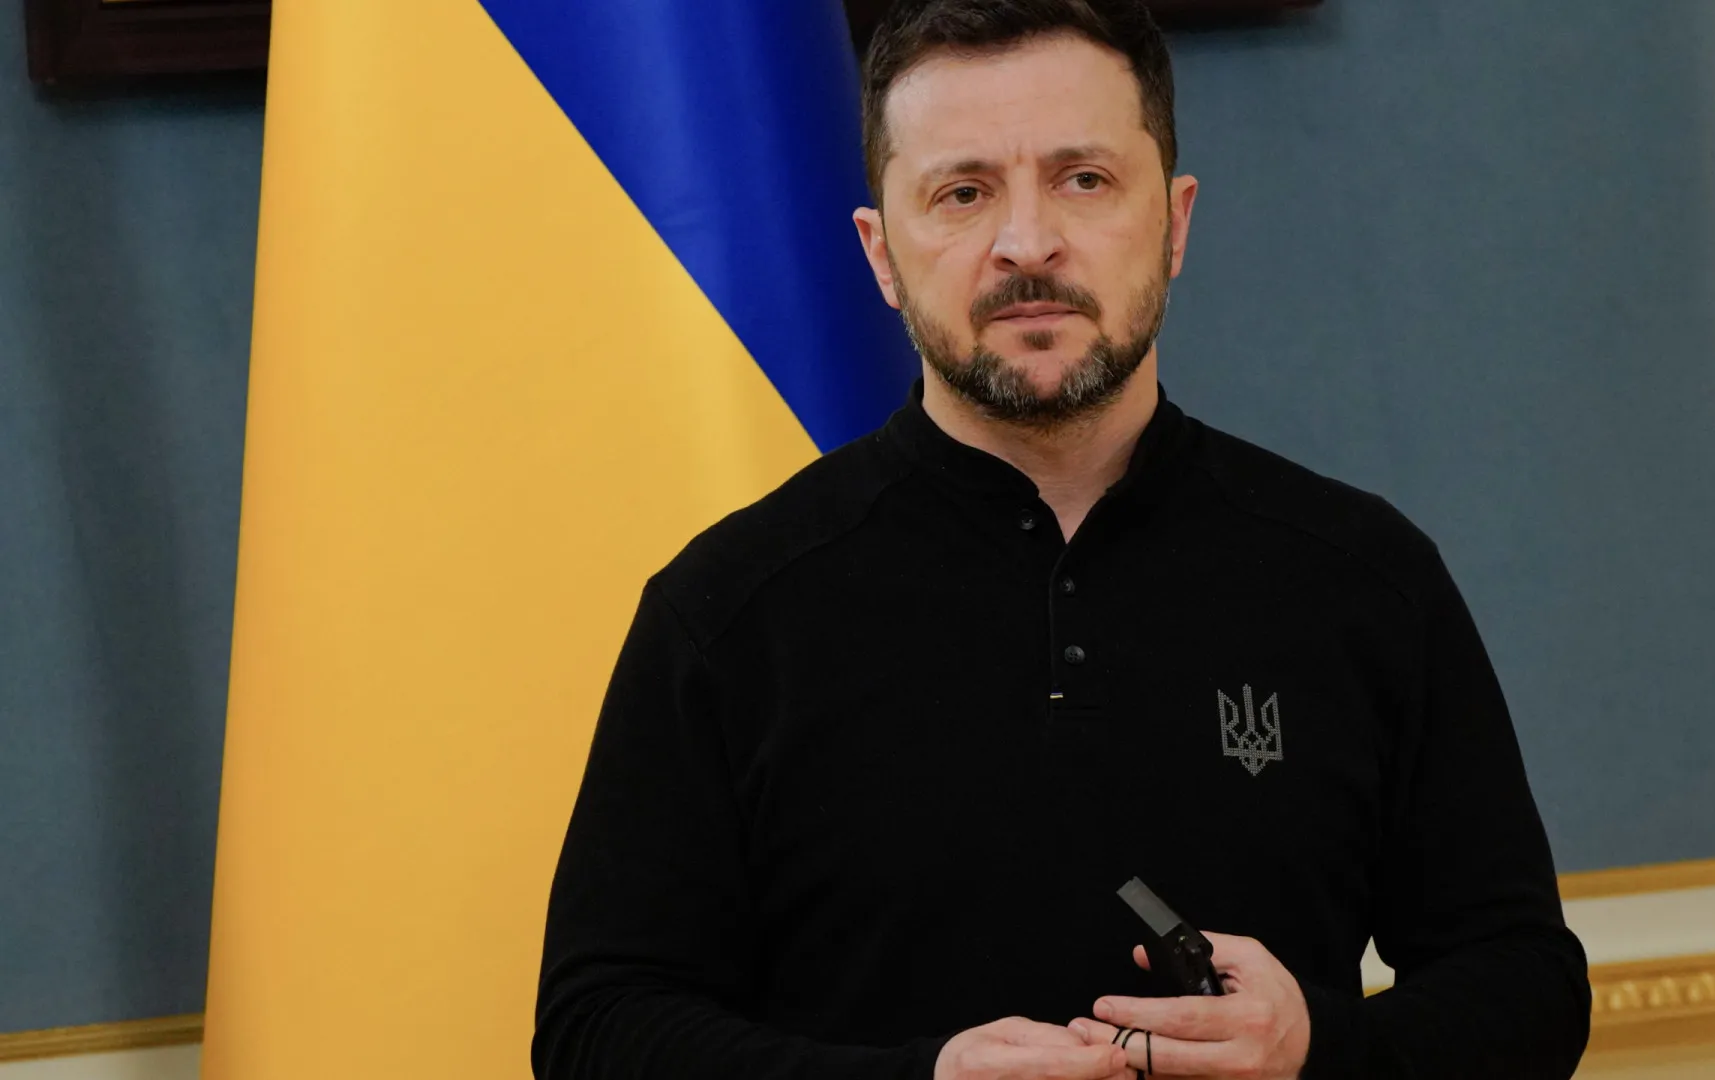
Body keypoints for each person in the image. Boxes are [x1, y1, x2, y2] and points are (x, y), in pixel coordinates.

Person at [531, 1, 1592, 1077]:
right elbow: (596, 1027)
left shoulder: (1367, 579)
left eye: (1083, 180)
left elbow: (1525, 985)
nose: (1027, 242)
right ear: (881, 253)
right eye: (963, 192)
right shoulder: (726, 610)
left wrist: (1323, 1047)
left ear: (1174, 224)